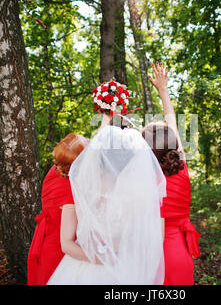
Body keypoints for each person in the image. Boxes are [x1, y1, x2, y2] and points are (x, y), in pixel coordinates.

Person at [47, 114, 166, 285]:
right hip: (110, 266)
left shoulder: (132, 196)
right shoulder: (83, 189)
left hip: (90, 269)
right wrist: (104, 259)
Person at [143, 61, 201, 285]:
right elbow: (172, 122)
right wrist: (163, 90)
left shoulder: (147, 183)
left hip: (156, 258)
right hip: (182, 254)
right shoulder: (182, 169)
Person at [27, 132, 89, 285]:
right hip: (59, 254)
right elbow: (66, 244)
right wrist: (97, 259)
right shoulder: (69, 192)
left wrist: (106, 117)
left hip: (47, 238)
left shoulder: (59, 168)